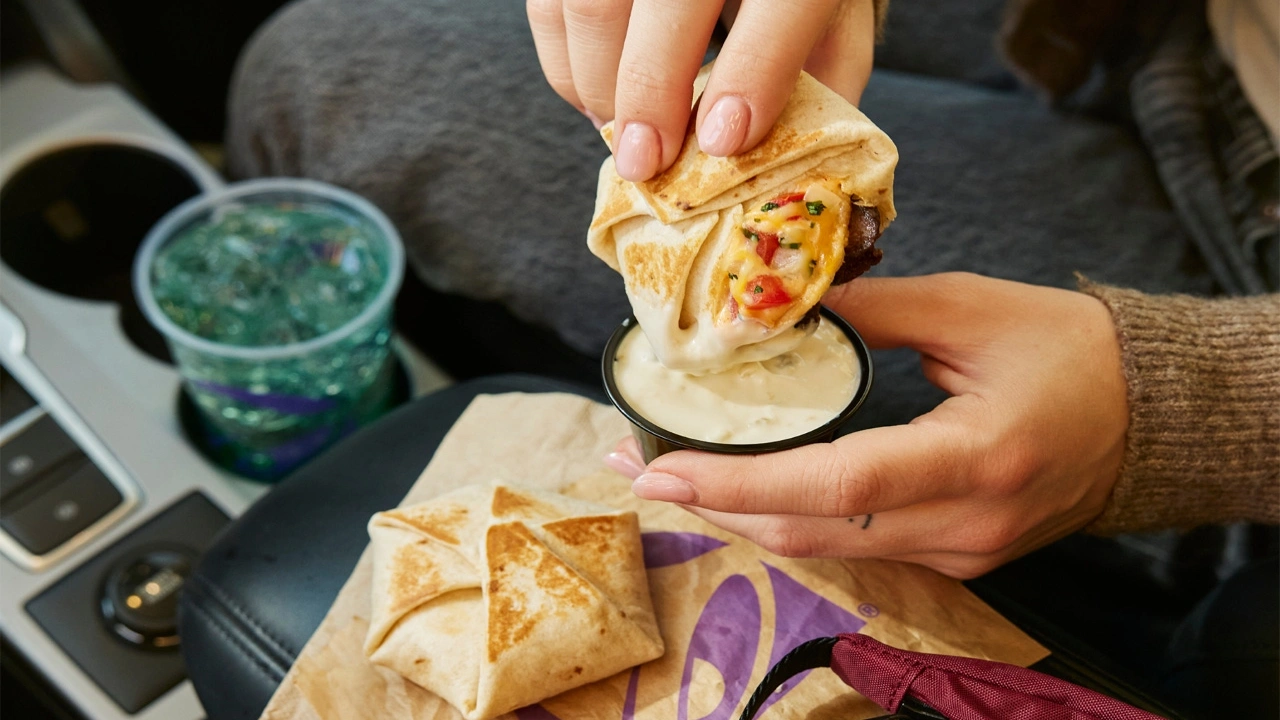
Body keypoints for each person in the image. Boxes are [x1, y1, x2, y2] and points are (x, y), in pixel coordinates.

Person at [225, 0, 1276, 715]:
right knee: (312, 63)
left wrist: (1194, 401)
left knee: (320, 82)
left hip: (1241, 267)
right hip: (1142, 31)